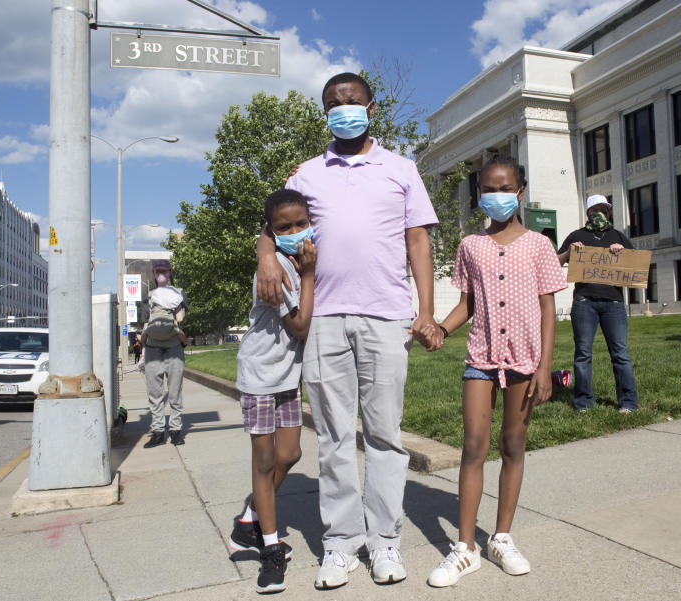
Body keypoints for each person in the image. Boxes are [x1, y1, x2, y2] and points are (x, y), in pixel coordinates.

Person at [255, 72, 440, 589]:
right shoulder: (308, 174)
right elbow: (274, 223)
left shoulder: (402, 169)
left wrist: (425, 311)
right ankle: (340, 542)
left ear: (371, 108)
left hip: (385, 314)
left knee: (384, 435)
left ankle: (384, 542)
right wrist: (267, 256)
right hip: (323, 318)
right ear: (325, 113)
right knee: (334, 436)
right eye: (334, 104)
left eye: (352, 101)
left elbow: (419, 243)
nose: (344, 109)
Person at [426, 156, 566, 587]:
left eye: (504, 188)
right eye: (487, 189)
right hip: (481, 357)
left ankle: (501, 537)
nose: (495, 196)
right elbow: (467, 305)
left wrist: (544, 367)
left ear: (520, 192)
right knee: (473, 446)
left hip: (525, 359)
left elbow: (548, 309)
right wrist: (441, 330)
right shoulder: (470, 245)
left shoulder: (540, 246)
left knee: (513, 445)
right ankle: (466, 548)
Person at [227, 189, 316, 594]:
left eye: (300, 223)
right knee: (264, 461)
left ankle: (250, 516)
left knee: (291, 453)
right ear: (271, 232)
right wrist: (310, 275)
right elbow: (299, 326)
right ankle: (269, 548)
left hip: (286, 377)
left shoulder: (300, 255)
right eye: (284, 227)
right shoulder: (278, 267)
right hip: (262, 375)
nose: (295, 231)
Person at [555, 195, 639, 413]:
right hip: (585, 301)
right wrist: (569, 252)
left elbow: (635, 267)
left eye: (603, 209)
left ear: (608, 212)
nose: (599, 213)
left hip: (614, 302)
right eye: (595, 210)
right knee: (583, 354)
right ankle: (583, 402)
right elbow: (555, 262)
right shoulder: (577, 235)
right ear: (588, 213)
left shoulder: (618, 235)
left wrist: (623, 252)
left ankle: (628, 402)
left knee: (620, 354)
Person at [141, 260, 189, 448]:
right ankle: (158, 432)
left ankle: (176, 431)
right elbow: (146, 324)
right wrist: (143, 351)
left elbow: (180, 318)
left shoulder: (178, 292)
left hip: (173, 347)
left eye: (164, 271)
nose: (161, 274)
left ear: (170, 273)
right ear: (153, 274)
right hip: (154, 348)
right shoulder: (149, 296)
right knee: (155, 393)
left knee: (174, 392)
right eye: (157, 271)